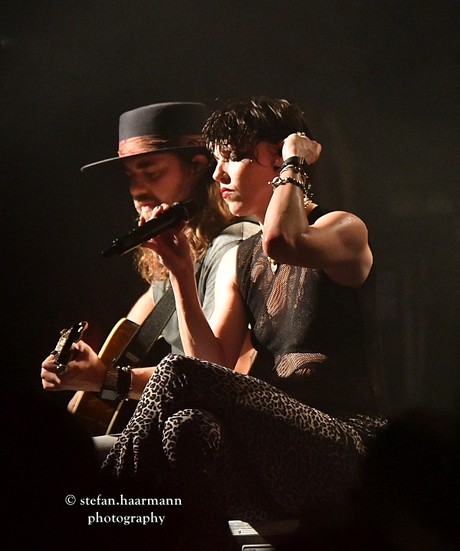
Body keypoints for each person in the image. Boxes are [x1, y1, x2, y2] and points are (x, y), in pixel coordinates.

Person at [98, 96, 388, 541]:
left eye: (232, 158)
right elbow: (211, 368)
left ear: (275, 157)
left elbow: (283, 241)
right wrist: (180, 274)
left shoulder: (343, 229)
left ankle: (98, 513)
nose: (218, 176)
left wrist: (295, 161)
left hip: (346, 446)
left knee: (176, 372)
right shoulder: (240, 260)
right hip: (275, 455)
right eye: (215, 161)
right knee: (185, 428)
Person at [41, 102, 258, 451]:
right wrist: (79, 368)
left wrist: (108, 380)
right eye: (131, 176)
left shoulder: (233, 246)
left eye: (151, 173)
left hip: (220, 441)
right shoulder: (179, 248)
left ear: (197, 166)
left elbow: (219, 376)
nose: (137, 191)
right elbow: (128, 335)